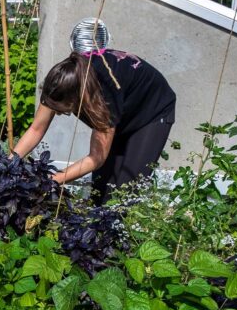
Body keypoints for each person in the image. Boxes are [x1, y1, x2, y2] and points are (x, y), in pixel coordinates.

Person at [12, 20, 176, 203]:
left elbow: (96, 158)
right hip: (121, 108)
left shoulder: (103, 96)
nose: (57, 113)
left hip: (151, 113)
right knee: (101, 187)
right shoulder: (61, 80)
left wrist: (50, 181)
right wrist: (8, 164)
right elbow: (36, 129)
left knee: (125, 191)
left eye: (62, 110)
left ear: (78, 98)